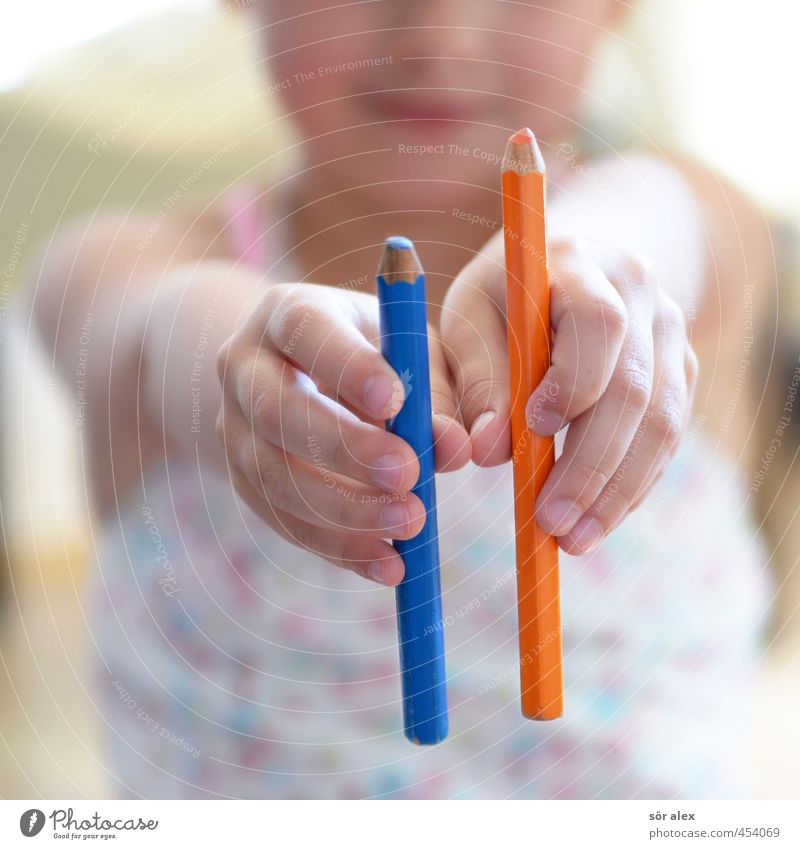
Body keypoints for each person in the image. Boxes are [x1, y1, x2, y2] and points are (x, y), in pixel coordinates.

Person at [26, 0, 774, 798]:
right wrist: (251, 354)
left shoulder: (689, 226)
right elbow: (152, 329)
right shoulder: (120, 264)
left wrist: (599, 262)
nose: (437, 36)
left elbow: (670, 219)